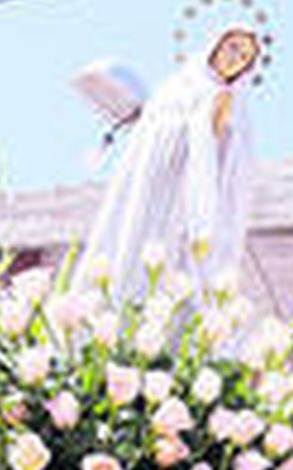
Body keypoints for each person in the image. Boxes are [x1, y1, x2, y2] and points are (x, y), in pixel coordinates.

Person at [78, 20, 263, 303]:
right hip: (155, 183)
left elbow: (234, 167)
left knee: (174, 273)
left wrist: (218, 129)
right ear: (216, 46)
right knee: (133, 249)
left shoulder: (237, 109)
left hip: (193, 197)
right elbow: (150, 130)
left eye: (243, 57)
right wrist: (190, 125)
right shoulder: (179, 85)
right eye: (233, 47)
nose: (234, 58)